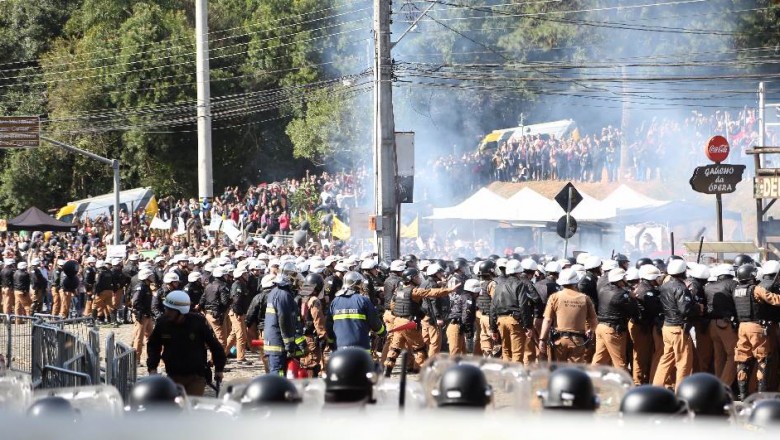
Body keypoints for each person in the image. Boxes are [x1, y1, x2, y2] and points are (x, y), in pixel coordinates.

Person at [146, 290, 226, 396]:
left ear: (180, 311)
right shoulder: (162, 323)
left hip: (196, 375)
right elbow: (153, 345)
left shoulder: (198, 323)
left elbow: (214, 345)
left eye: (170, 310)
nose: (167, 312)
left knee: (191, 407)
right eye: (166, 308)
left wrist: (219, 368)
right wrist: (152, 367)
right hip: (173, 375)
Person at [383, 268, 458, 376]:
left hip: (398, 321)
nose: (419, 279)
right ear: (410, 279)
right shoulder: (414, 291)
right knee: (420, 348)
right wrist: (449, 290)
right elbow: (431, 292)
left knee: (395, 347)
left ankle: (387, 371)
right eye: (416, 277)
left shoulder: (399, 290)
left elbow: (392, 305)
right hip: (408, 323)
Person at [733, 263, 780, 400]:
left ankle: (743, 395)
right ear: (751, 276)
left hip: (742, 327)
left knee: (742, 360)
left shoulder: (736, 290)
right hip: (756, 327)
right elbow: (774, 300)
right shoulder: (756, 289)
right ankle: (761, 395)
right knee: (763, 360)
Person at [652, 259, 698, 390]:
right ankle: (681, 391)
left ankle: (656, 388)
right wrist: (697, 308)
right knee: (684, 362)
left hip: (667, 327)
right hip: (678, 328)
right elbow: (685, 309)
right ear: (682, 271)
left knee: (666, 359)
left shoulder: (664, 286)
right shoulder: (680, 288)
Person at [539, 268, 598, 363]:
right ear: (576, 281)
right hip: (577, 341)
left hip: (559, 341)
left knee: (557, 371)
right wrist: (591, 330)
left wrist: (542, 339)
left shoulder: (555, 297)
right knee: (574, 372)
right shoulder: (585, 298)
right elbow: (594, 321)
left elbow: (547, 320)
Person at [490, 259, 542, 364]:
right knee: (517, 353)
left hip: (500, 321)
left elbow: (493, 307)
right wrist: (528, 326)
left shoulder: (499, 285)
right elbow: (523, 306)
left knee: (506, 351)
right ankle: (515, 378)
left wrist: (493, 329)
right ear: (519, 271)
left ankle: (506, 378)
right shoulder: (520, 284)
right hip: (514, 321)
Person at [592, 268, 637, 370]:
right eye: (624, 277)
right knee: (620, 362)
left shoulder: (604, 289)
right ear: (620, 280)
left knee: (600, 359)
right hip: (613, 330)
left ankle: (590, 381)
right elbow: (632, 311)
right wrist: (632, 298)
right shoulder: (620, 294)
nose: (626, 279)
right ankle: (623, 384)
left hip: (601, 327)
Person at [329, 271, 385, 351]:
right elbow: (374, 321)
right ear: (357, 284)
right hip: (361, 348)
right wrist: (383, 332)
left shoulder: (335, 302)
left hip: (340, 348)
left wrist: (331, 343)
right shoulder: (364, 300)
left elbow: (329, 325)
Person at [703, 264, 738, 386]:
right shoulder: (732, 284)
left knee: (719, 357)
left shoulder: (708, 287)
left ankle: (717, 385)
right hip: (726, 324)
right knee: (734, 355)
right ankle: (724, 386)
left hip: (712, 325)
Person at [264, 262, 300, 375]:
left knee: (277, 372)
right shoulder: (284, 295)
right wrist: (290, 345)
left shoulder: (275, 292)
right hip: (278, 343)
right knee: (278, 375)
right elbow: (285, 322)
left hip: (273, 340)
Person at [630, 264, 663, 385]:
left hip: (644, 325)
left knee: (644, 354)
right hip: (641, 325)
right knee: (641, 355)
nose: (658, 280)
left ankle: (643, 378)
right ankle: (637, 382)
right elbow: (655, 308)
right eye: (657, 277)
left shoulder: (645, 288)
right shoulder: (646, 291)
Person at [298, 272, 328, 377]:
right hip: (310, 336)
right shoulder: (314, 300)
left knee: (304, 361)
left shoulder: (301, 296)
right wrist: (322, 334)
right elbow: (317, 318)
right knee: (312, 363)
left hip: (299, 334)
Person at [226, 267, 252, 365]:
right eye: (244, 274)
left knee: (233, 335)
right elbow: (236, 301)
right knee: (241, 335)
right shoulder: (237, 285)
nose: (247, 276)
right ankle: (240, 358)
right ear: (240, 276)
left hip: (239, 312)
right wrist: (239, 313)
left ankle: (223, 353)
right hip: (237, 313)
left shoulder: (241, 284)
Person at [199, 267, 230, 349]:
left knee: (213, 338)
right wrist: (231, 300)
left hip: (208, 314)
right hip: (217, 315)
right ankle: (217, 361)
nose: (227, 277)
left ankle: (213, 359)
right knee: (221, 340)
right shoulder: (223, 286)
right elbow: (225, 302)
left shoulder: (208, 286)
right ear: (222, 276)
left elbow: (202, 301)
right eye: (225, 275)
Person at [131, 269, 155, 360]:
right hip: (142, 316)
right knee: (139, 338)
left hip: (147, 315)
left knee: (150, 337)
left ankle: (151, 356)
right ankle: (136, 359)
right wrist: (141, 313)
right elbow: (136, 302)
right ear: (146, 277)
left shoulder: (147, 286)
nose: (152, 277)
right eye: (150, 275)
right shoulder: (140, 287)